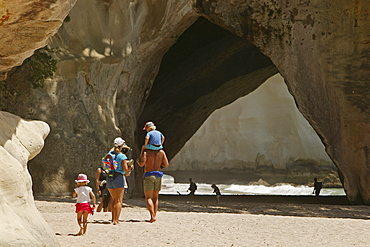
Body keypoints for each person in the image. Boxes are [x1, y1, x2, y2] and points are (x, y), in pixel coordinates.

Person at [106, 137, 134, 225]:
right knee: (118, 200)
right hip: (118, 177)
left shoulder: (109, 155)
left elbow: (110, 152)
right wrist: (130, 167)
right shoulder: (122, 156)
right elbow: (125, 169)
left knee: (114, 199)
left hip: (109, 176)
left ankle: (112, 218)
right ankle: (116, 220)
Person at [137, 148, 169, 223]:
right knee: (155, 197)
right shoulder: (161, 152)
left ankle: (152, 216)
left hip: (149, 174)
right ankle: (155, 215)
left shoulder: (146, 152)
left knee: (148, 197)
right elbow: (166, 164)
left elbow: (142, 164)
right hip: (158, 175)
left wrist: (141, 154)